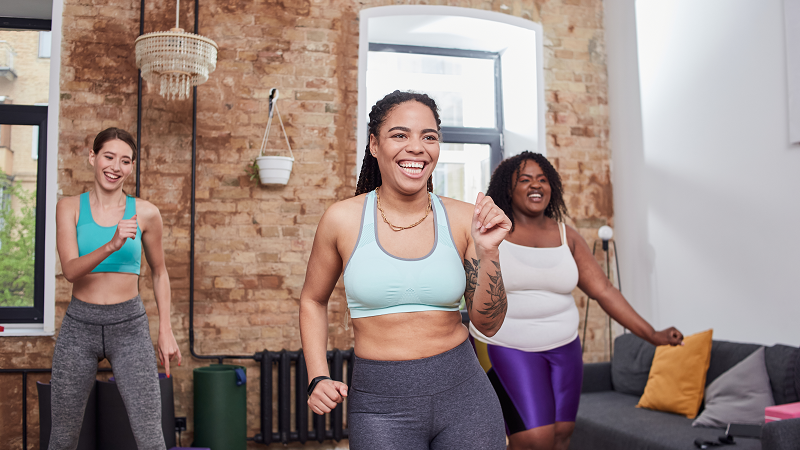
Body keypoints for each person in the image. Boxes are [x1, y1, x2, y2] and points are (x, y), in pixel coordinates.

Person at [299, 90, 512, 450]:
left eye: (428, 136)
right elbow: (312, 300)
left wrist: (489, 252)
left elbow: (488, 324)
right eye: (400, 135)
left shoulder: (463, 219)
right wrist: (317, 376)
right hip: (380, 406)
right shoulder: (342, 219)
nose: (417, 147)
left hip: (465, 395)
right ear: (374, 145)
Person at [470, 151, 684, 450]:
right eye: (526, 179)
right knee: (535, 439)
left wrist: (652, 335)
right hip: (506, 348)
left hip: (564, 348)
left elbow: (604, 290)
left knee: (561, 435)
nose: (537, 185)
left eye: (543, 180)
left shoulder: (566, 235)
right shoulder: (489, 233)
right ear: (508, 187)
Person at [51, 127, 181, 450]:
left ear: (132, 167)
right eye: (108, 157)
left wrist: (165, 329)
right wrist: (112, 244)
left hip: (130, 326)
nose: (115, 166)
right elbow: (70, 270)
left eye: (125, 161)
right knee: (63, 438)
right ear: (93, 157)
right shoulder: (69, 208)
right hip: (79, 326)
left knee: (151, 437)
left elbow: (160, 272)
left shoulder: (147, 213)